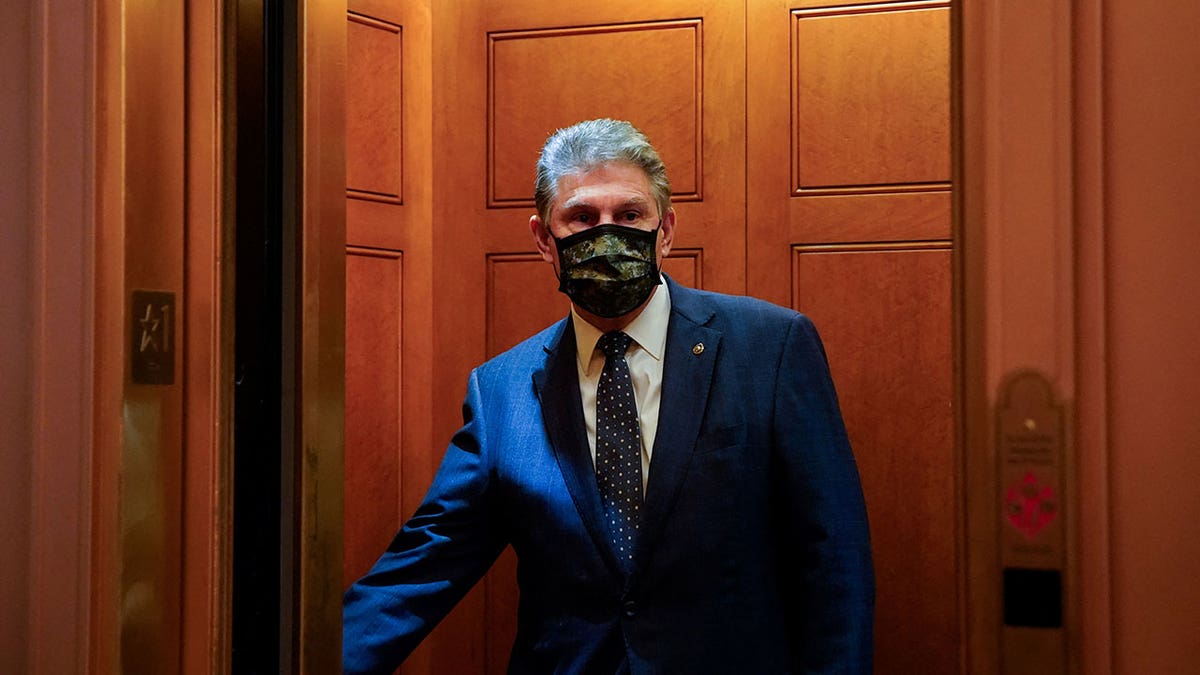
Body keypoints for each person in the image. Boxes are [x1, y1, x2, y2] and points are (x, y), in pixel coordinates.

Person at [343, 118, 874, 674]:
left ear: (665, 229)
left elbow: (835, 563)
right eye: (581, 217)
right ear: (544, 240)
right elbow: (422, 566)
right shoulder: (501, 390)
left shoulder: (772, 347)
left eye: (629, 215)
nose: (607, 234)